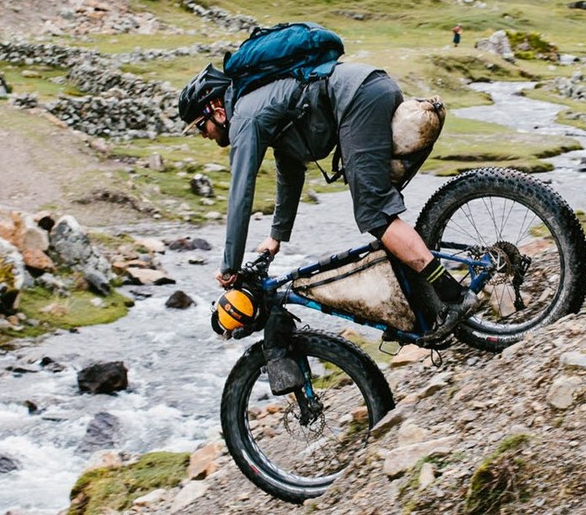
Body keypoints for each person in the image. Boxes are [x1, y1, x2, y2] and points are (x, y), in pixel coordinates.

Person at [177, 63, 476, 394]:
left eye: (200, 125)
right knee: (379, 213)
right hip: (369, 89)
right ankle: (423, 306)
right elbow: (290, 170)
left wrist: (229, 265)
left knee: (376, 215)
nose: (203, 134)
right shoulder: (259, 106)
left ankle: (453, 295)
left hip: (359, 99)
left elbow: (240, 193)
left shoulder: (245, 117)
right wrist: (275, 237)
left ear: (216, 109)